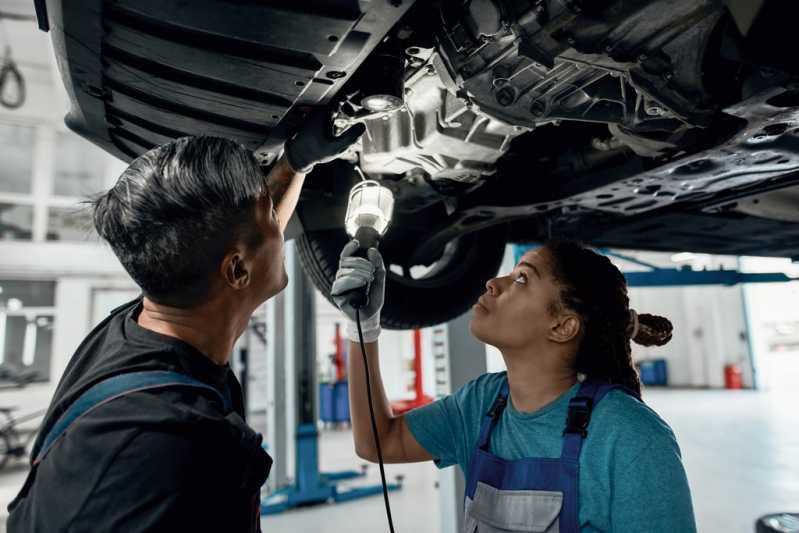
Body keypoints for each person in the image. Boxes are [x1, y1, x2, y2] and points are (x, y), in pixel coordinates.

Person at [6, 111, 364, 532]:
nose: (280, 228)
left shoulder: (126, 332)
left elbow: (241, 242)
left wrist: (295, 163)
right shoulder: (187, 447)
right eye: (270, 215)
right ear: (235, 272)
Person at [331, 239, 697, 532]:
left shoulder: (631, 437)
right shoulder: (482, 402)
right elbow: (379, 442)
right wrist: (363, 326)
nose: (493, 282)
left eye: (522, 278)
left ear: (562, 326)